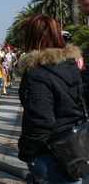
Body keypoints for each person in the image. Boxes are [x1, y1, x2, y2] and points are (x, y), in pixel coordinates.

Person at [18, 14, 85, 184]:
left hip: (51, 155)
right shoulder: (70, 64)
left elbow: (41, 121)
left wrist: (25, 150)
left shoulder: (36, 72)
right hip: (77, 147)